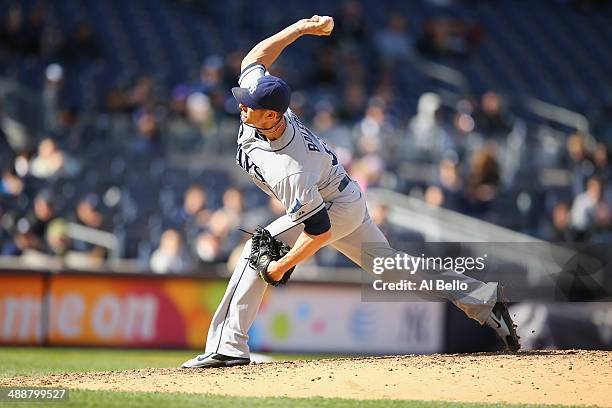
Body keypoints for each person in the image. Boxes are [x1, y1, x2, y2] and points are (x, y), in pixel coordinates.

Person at [181, 15, 519, 369]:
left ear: (273, 117)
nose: (241, 106)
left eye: (250, 105)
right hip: (345, 197)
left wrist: (281, 266)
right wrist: (299, 29)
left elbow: (320, 231)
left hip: (332, 206)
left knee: (257, 247)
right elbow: (256, 58)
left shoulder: (290, 166)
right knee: (394, 271)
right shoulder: (266, 108)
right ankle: (482, 298)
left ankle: (228, 346)